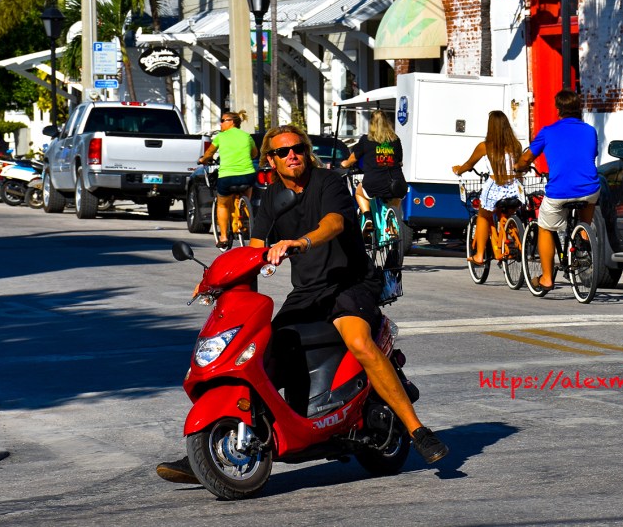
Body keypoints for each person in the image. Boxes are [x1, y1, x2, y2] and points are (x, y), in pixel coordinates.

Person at [156, 125, 447, 484]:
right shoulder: (271, 200)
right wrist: (217, 279)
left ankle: (417, 430)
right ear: (270, 160)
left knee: (358, 342)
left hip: (350, 283)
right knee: (263, 351)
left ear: (306, 151)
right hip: (307, 291)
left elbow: (335, 223)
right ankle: (216, 440)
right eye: (283, 152)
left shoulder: (328, 183)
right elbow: (254, 250)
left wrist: (301, 243)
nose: (292, 155)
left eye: (297, 148)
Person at [514, 90, 600, 295]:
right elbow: (590, 155)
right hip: (590, 189)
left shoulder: (548, 131)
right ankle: (583, 242)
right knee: (585, 216)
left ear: (558, 109)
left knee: (545, 227)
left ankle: (545, 279)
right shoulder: (590, 130)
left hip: (560, 191)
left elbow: (527, 158)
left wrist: (519, 167)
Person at [452, 110, 523, 265]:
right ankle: (514, 241)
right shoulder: (516, 145)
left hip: (495, 188)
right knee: (507, 214)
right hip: (513, 188)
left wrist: (458, 170)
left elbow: (469, 165)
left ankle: (479, 255)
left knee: (483, 217)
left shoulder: (485, 146)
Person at [197, 111, 258, 248]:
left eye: (223, 120)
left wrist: (202, 160)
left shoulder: (220, 137)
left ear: (232, 122)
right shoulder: (246, 136)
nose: (221, 123)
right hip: (247, 175)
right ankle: (244, 211)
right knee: (247, 188)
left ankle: (223, 237)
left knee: (222, 204)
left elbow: (209, 154)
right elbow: (255, 154)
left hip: (227, 177)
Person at [339, 110, 407, 232]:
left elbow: (354, 157)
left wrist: (345, 164)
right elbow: (400, 160)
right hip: (397, 183)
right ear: (388, 123)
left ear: (371, 124)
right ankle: (392, 225)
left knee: (359, 193)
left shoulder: (366, 140)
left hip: (374, 183)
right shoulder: (396, 140)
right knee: (396, 197)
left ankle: (368, 218)